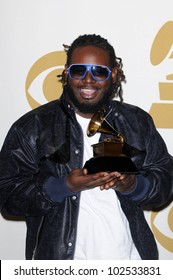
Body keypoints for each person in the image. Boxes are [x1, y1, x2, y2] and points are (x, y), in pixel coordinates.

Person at [0, 34, 173, 260]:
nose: (88, 80)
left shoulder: (137, 121)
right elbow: (6, 195)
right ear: (66, 72)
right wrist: (63, 186)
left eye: (98, 71)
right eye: (79, 70)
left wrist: (132, 185)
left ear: (113, 74)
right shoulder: (33, 125)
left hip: (130, 262)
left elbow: (166, 181)